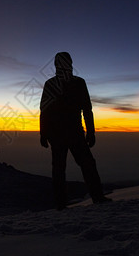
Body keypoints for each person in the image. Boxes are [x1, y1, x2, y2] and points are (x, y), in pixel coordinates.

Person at [40, 52, 111, 210]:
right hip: (70, 133)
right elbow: (45, 110)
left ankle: (63, 204)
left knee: (64, 168)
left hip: (65, 133)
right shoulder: (75, 83)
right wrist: (43, 133)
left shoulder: (60, 83)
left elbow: (45, 111)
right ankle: (95, 198)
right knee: (79, 165)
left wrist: (43, 133)